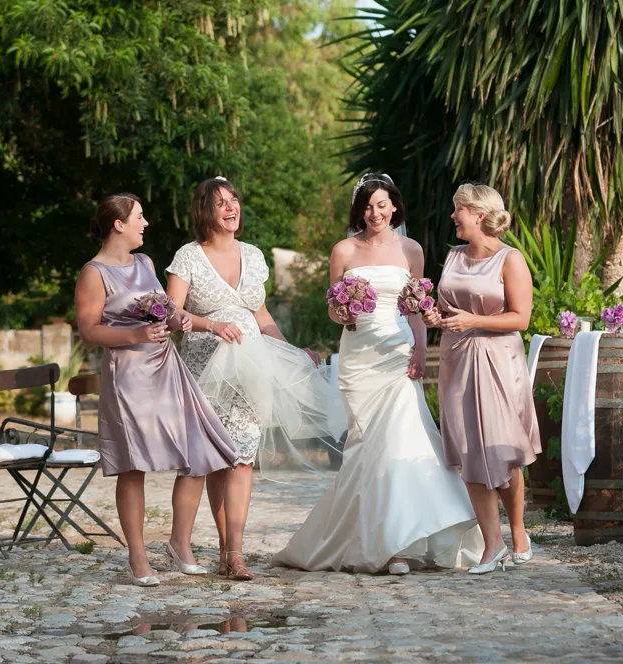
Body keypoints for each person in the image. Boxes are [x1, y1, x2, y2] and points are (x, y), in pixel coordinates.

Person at [272, 173, 482, 574]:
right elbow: (333, 309)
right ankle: (368, 539)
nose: (375, 213)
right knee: (366, 446)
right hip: (358, 358)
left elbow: (417, 307)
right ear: (360, 210)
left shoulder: (412, 250)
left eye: (382, 205)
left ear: (394, 207)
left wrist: (421, 347)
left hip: (399, 354)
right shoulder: (343, 250)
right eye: (368, 207)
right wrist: (343, 310)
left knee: (401, 443)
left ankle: (398, 546)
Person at [165, 176, 339, 581]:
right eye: (221, 202)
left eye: (235, 200)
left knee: (242, 461)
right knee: (201, 462)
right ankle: (180, 542)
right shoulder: (188, 257)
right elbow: (171, 315)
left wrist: (295, 353)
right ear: (204, 211)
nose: (231, 208)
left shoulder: (254, 256)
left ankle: (235, 553)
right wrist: (211, 325)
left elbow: (262, 318)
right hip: (203, 374)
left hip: (250, 374)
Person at [74, 192, 237, 587]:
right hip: (128, 375)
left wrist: (198, 323)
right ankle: (137, 555)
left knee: (201, 448)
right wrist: (137, 333)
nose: (146, 224)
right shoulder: (93, 272)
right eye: (140, 217)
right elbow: (90, 329)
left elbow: (169, 308)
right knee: (134, 465)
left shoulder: (145, 262)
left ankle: (179, 544)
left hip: (166, 367)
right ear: (119, 224)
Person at [422, 183, 541, 574]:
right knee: (470, 450)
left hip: (498, 360)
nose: (453, 216)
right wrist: (434, 319)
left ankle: (519, 529)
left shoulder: (511, 259)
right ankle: (493, 545)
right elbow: (446, 307)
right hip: (457, 359)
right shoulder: (453, 256)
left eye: (458, 209)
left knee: (502, 451)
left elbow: (521, 318)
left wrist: (474, 320)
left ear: (477, 213)